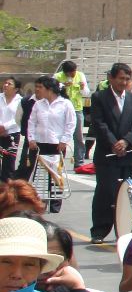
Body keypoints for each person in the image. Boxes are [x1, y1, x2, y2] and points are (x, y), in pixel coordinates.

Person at [89, 62, 132, 244]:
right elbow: (99, 123)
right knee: (106, 192)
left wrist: (126, 141)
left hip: (129, 155)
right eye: (121, 78)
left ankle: (128, 231)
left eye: (127, 79)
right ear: (111, 78)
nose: (124, 82)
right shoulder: (99, 97)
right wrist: (114, 143)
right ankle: (99, 230)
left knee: (131, 194)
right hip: (108, 153)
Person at [24, 78, 74, 214]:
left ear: (49, 89)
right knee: (39, 174)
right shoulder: (38, 104)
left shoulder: (65, 104)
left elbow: (70, 124)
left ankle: (55, 205)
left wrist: (64, 140)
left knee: (55, 175)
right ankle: (40, 204)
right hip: (39, 144)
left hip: (56, 145)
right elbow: (31, 122)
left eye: (40, 87)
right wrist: (31, 139)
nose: (37, 90)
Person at [54, 60, 91, 165]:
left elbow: (86, 93)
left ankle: (79, 161)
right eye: (70, 73)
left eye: (74, 71)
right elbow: (52, 90)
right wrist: (63, 86)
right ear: (65, 73)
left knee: (78, 136)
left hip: (77, 109)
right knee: (60, 135)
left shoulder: (80, 75)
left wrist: (83, 87)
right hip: (61, 110)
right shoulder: (57, 77)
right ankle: (58, 161)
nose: (73, 74)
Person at [0, 77, 23, 182]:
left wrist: (5, 127)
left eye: (9, 84)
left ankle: (7, 190)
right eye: (5, 83)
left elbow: (18, 118)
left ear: (16, 89)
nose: (5, 85)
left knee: (8, 163)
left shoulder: (21, 101)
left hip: (12, 134)